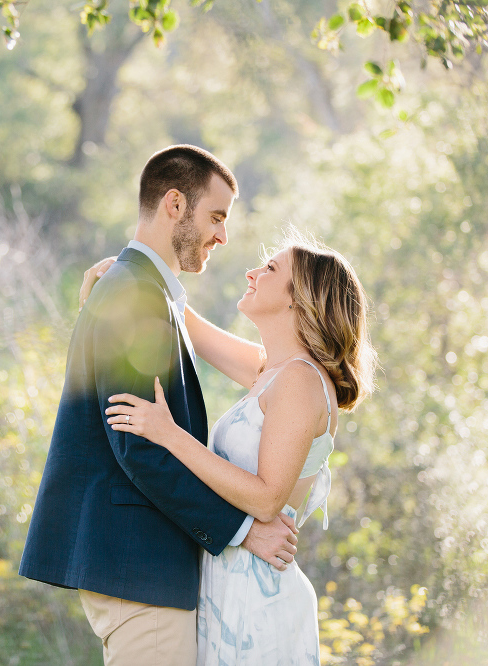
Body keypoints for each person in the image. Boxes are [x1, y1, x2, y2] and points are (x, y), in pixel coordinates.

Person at [18, 145, 300, 666]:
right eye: (216, 217)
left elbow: (270, 370)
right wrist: (243, 532)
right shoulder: (133, 294)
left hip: (147, 566)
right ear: (174, 204)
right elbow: (141, 449)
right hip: (139, 565)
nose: (223, 236)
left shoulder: (143, 292)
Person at [81, 232, 377, 664]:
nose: (252, 272)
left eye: (271, 268)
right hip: (229, 580)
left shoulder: (299, 381)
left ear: (301, 299)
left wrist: (169, 434)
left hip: (255, 598)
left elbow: (266, 497)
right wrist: (129, 277)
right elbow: (189, 324)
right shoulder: (272, 370)